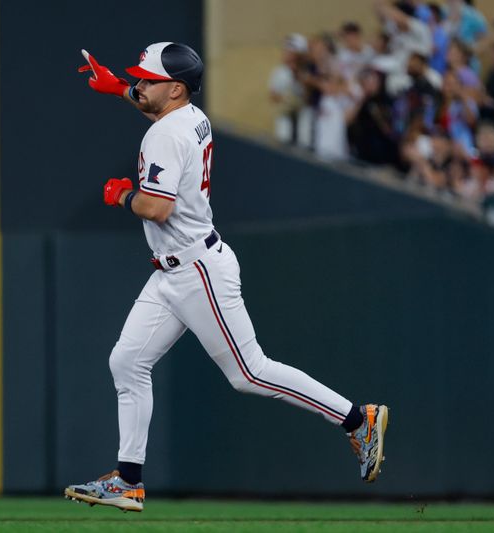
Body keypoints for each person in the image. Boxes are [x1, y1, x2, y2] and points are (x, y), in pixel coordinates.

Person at [65, 42, 389, 513]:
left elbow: (156, 207)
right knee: (127, 361)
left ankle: (358, 419)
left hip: (197, 270)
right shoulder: (190, 114)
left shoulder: (165, 134)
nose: (138, 84)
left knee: (249, 371)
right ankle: (128, 480)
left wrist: (119, 196)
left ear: (174, 88)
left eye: (146, 79)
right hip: (172, 271)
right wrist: (119, 87)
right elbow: (157, 111)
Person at [268, 33, 308, 144]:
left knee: (304, 141)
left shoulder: (305, 70)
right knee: (283, 140)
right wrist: (285, 100)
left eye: (290, 51)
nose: (286, 53)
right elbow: (272, 95)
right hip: (285, 115)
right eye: (286, 50)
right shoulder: (279, 71)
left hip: (303, 116)